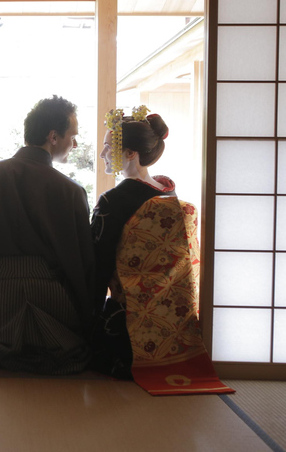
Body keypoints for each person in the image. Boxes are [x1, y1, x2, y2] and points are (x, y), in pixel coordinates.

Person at [0, 95, 95, 375]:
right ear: (53, 136)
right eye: (73, 135)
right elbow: (82, 266)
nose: (76, 144)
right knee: (72, 352)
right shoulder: (70, 191)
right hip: (52, 303)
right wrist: (89, 319)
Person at [89, 106, 175, 379]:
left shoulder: (113, 201)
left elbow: (97, 264)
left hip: (123, 319)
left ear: (130, 154)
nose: (102, 154)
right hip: (166, 315)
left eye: (107, 147)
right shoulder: (169, 193)